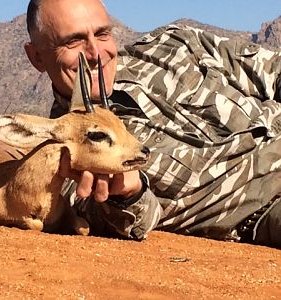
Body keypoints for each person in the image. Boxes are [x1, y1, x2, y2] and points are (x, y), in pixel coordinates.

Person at [24, 0, 281, 247]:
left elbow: (274, 70)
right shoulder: (63, 158)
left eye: (102, 34)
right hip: (265, 204)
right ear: (36, 57)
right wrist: (128, 193)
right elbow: (135, 220)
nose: (95, 53)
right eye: (74, 40)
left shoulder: (175, 47)